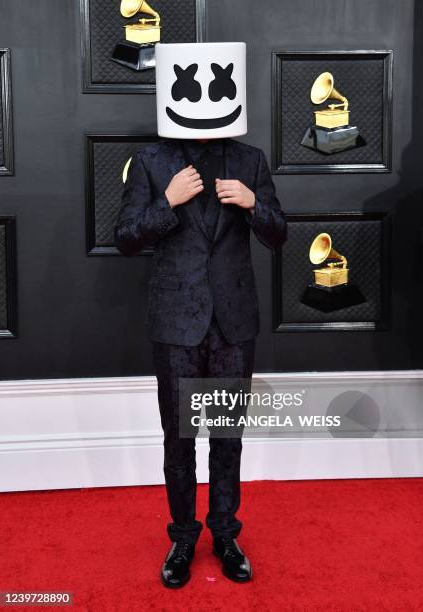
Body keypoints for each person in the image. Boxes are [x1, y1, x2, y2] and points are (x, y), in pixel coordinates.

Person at [114, 42, 287, 588]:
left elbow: (280, 234)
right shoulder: (151, 162)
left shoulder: (250, 160)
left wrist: (253, 204)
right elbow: (124, 239)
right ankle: (183, 540)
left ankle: (226, 534)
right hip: (176, 321)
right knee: (180, 439)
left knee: (228, 436)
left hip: (234, 320)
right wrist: (166, 203)